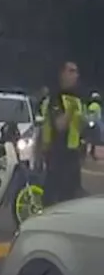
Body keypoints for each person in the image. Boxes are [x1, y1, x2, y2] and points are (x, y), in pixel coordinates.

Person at [38, 61, 85, 207]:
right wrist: (70, 111)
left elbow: (79, 128)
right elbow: (59, 125)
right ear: (62, 74)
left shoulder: (77, 98)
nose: (75, 75)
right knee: (54, 199)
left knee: (71, 198)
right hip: (57, 154)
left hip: (72, 155)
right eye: (71, 71)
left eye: (76, 72)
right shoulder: (56, 98)